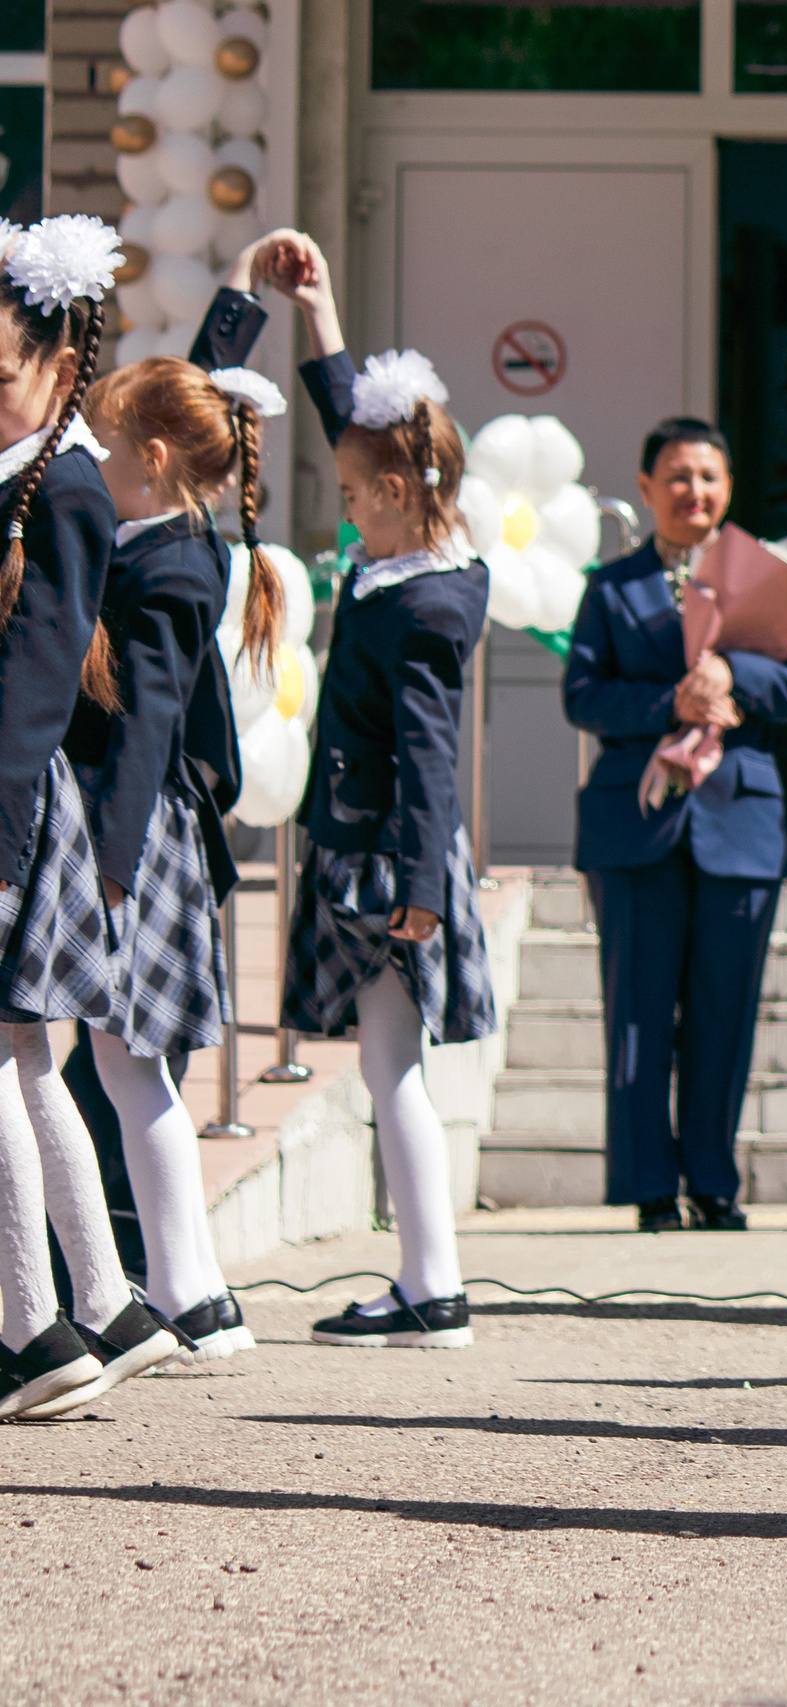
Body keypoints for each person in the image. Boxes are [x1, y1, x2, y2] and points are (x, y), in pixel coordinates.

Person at [263, 238, 495, 1350]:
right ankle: (426, 1280)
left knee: (389, 1061)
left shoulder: (425, 602)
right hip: (384, 847)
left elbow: (431, 751)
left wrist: (420, 887)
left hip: (391, 854)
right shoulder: (406, 558)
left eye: (356, 495)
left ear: (398, 493)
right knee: (385, 1059)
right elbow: (350, 421)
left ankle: (431, 1286)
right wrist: (318, 312)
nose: (345, 507)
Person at [0, 216, 187, 1419]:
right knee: (24, 1058)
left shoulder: (62, 484)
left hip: (9, 807)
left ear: (62, 366)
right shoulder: (29, 471)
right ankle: (108, 1307)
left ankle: (30, 1332)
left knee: (5, 1061)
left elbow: (37, 677)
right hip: (15, 808)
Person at [68, 350, 287, 1361]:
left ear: (152, 459)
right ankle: (194, 1288)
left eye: (106, 444)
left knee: (131, 1066)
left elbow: (146, 724)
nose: (92, 458)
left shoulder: (170, 566)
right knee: (131, 1068)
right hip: (140, 834)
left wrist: (112, 872)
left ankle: (186, 1292)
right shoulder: (175, 545)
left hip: (138, 836)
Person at [561, 419, 787, 1235]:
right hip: (635, 825)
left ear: (729, 486)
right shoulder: (611, 587)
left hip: (739, 823)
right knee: (637, 1011)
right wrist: (669, 702)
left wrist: (732, 672)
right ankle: (648, 1185)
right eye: (676, 476)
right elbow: (582, 696)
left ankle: (712, 1180)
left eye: (708, 476)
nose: (693, 491)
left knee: (723, 1012)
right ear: (646, 487)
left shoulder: (763, 579)